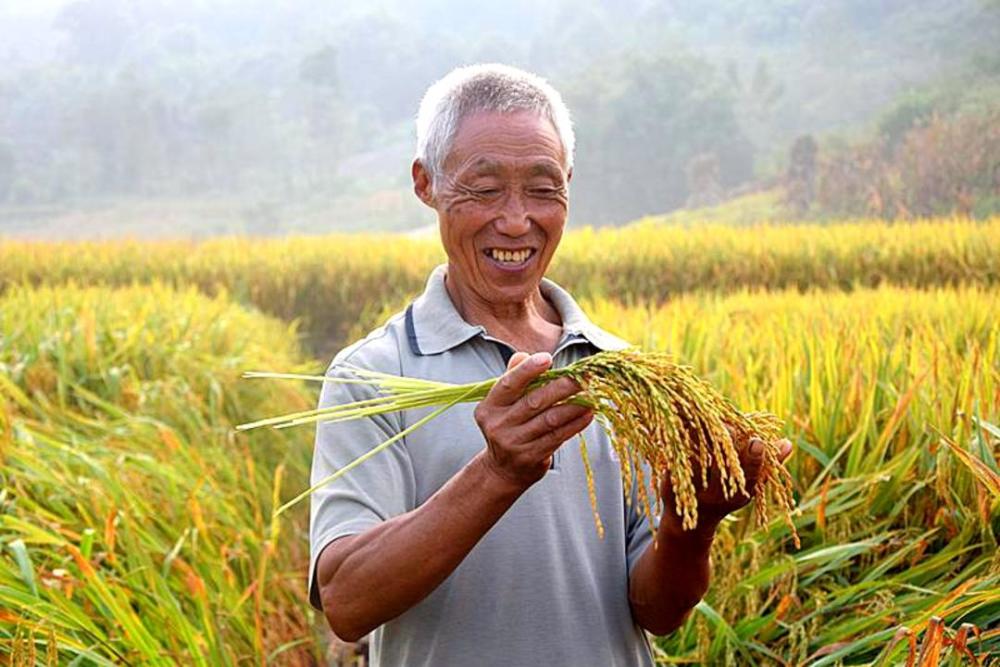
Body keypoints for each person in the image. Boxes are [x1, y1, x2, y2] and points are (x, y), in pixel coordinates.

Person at [308, 63, 793, 666]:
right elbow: (347, 600)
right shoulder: (373, 376)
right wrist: (497, 474)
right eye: (483, 189)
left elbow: (656, 612)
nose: (516, 221)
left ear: (568, 184)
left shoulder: (620, 375)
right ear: (425, 184)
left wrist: (693, 523)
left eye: (542, 189)